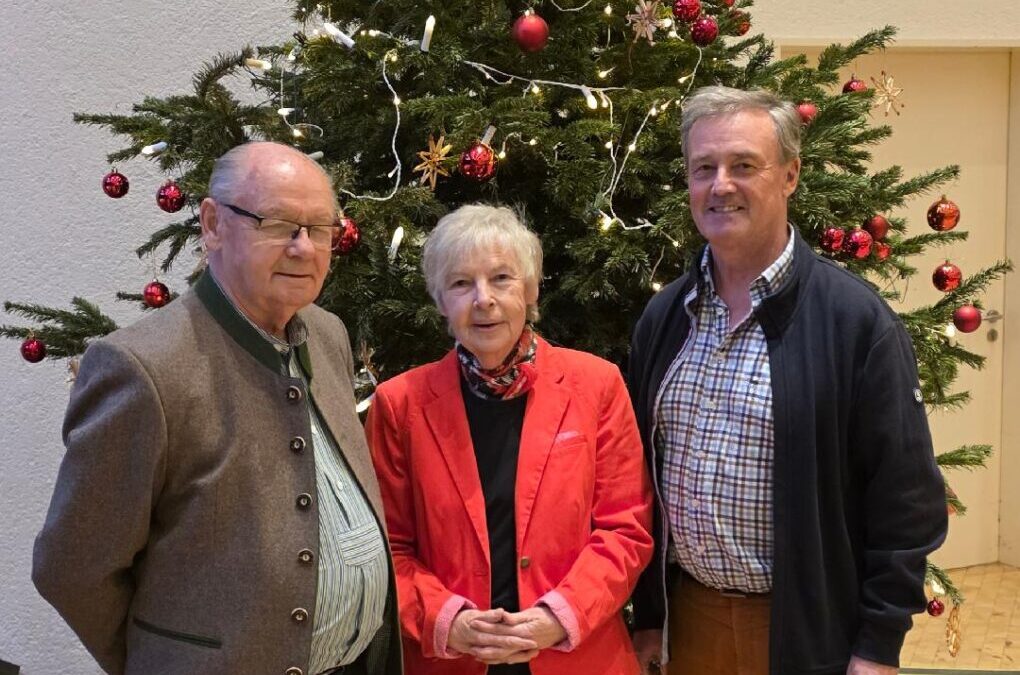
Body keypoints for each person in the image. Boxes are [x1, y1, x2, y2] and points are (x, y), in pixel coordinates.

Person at [33, 142, 402, 675]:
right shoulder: (141, 367)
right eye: (278, 224)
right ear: (212, 224)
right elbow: (72, 568)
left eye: (320, 228)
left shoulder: (328, 333)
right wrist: (172, 660)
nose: (304, 248)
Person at [627, 86, 948, 675]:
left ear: (790, 175)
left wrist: (877, 647)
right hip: (687, 625)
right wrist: (648, 615)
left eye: (744, 165)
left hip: (804, 633)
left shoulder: (856, 323)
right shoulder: (665, 317)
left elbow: (907, 504)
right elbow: (639, 484)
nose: (720, 185)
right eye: (704, 168)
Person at [366, 204, 654, 675]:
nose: (483, 299)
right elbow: (385, 549)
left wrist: (558, 617)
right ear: (440, 301)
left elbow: (625, 530)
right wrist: (447, 620)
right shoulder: (399, 405)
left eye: (501, 278)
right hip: (452, 661)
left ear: (531, 289)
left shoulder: (597, 385)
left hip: (577, 657)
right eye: (461, 283)